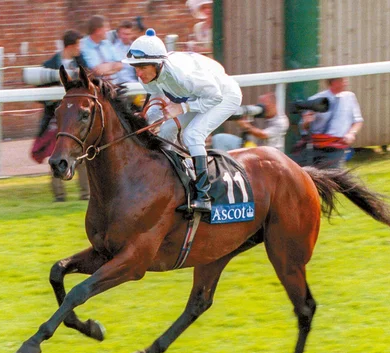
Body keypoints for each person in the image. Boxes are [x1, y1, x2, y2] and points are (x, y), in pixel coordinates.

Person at [122, 29, 242, 212]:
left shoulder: (182, 75)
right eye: (135, 68)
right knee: (166, 130)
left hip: (224, 96)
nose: (138, 73)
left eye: (142, 67)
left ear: (157, 64)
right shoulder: (149, 75)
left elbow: (215, 97)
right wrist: (149, 119)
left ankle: (204, 196)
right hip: (196, 97)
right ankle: (168, 183)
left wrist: (182, 108)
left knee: (193, 134)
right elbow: (155, 94)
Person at [39, 29, 90, 202]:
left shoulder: (81, 61)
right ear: (71, 45)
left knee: (80, 153)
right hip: (59, 118)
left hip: (76, 117)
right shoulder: (50, 65)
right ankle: (59, 195)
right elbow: (40, 91)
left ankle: (85, 193)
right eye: (79, 45)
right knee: (57, 153)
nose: (80, 48)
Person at [298, 78, 363, 169]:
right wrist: (307, 121)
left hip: (338, 146)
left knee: (334, 173)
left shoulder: (350, 97)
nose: (346, 83)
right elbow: (304, 128)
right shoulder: (316, 99)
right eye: (342, 80)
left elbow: (357, 121)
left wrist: (351, 133)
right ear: (333, 82)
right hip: (317, 147)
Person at [212, 93, 289, 152]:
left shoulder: (281, 121)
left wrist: (246, 126)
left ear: (273, 105)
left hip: (269, 154)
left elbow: (263, 134)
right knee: (219, 139)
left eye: (264, 104)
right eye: (260, 104)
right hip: (254, 146)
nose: (261, 107)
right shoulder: (261, 114)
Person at [80, 15, 124, 83]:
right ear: (98, 30)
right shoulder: (83, 46)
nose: (108, 30)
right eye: (106, 27)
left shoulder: (107, 44)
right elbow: (96, 71)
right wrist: (112, 65)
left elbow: (120, 65)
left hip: (115, 86)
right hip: (97, 88)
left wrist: (105, 67)